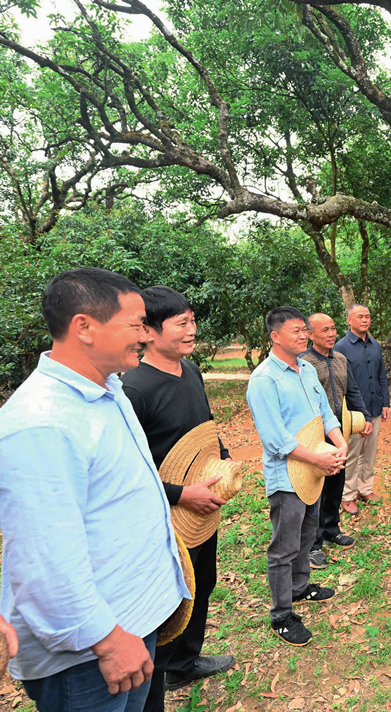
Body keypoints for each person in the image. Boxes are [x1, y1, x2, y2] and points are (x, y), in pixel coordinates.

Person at [0, 267, 189, 712]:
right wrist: (105, 641)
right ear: (84, 327)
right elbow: (43, 559)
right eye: (135, 323)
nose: (144, 335)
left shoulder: (108, 390)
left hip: (132, 623)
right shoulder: (40, 423)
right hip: (91, 653)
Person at [119, 286, 236, 708]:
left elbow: (205, 427)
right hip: (164, 513)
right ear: (148, 331)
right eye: (182, 323)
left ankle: (185, 665)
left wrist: (222, 461)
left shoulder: (192, 372)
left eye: (192, 320)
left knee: (203, 581)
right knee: (171, 599)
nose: (193, 330)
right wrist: (181, 493)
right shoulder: (135, 390)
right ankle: (160, 669)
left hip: (203, 505)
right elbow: (130, 470)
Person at [246, 306, 348, 647]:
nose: (303, 335)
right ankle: (281, 614)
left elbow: (324, 413)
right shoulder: (264, 380)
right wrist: (320, 457)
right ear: (275, 336)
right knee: (284, 547)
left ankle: (301, 587)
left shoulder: (305, 369)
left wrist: (340, 444)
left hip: (313, 470)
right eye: (295, 330)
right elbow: (276, 441)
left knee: (307, 535)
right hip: (287, 475)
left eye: (305, 329)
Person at [301, 313, 372, 569]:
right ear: (310, 334)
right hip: (313, 435)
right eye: (324, 330)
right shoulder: (303, 362)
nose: (331, 334)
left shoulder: (341, 359)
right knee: (316, 488)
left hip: (338, 430)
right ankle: (313, 543)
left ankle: (331, 528)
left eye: (333, 329)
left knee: (336, 481)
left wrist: (363, 417)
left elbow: (351, 390)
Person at [334, 304, 391, 515]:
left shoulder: (375, 345)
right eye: (360, 317)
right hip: (354, 412)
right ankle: (347, 495)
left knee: (370, 452)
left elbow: (381, 375)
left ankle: (365, 488)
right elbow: (339, 383)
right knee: (351, 453)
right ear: (349, 320)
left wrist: (386, 402)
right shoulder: (341, 347)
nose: (365, 320)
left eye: (367, 316)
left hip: (375, 406)